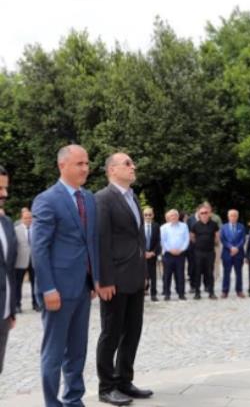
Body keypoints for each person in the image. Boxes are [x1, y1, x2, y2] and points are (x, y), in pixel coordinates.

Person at [31, 145, 100, 407]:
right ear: (62, 166)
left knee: (78, 350)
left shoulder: (89, 198)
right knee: (54, 352)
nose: (85, 168)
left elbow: (90, 241)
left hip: (82, 288)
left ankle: (74, 399)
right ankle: (52, 403)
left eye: (86, 163)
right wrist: (48, 289)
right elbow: (39, 248)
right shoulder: (47, 199)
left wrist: (93, 279)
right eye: (79, 163)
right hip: (57, 291)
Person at [95, 152, 152, 405]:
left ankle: (124, 380)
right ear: (112, 170)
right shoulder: (103, 199)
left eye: (132, 163)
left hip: (135, 278)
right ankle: (106, 387)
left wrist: (145, 274)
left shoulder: (133, 199)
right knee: (111, 333)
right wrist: (104, 280)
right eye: (127, 163)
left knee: (133, 331)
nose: (133, 166)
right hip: (114, 280)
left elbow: (139, 241)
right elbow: (101, 243)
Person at [0, 165, 17, 375]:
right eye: (0, 189)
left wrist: (11, 309)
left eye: (5, 188)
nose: (4, 194)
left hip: (3, 314)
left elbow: (9, 268)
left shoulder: (6, 223)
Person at [190, 204, 220, 300]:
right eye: (202, 213)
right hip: (198, 252)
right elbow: (192, 237)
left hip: (210, 252)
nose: (204, 214)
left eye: (205, 212)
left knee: (210, 273)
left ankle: (211, 293)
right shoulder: (195, 225)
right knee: (198, 273)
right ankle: (197, 293)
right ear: (199, 214)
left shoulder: (214, 224)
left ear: (209, 213)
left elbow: (216, 237)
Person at [160, 209, 189, 301]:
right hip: (168, 254)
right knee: (167, 275)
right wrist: (170, 250)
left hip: (180, 254)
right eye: (171, 216)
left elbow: (186, 239)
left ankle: (181, 294)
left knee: (180, 275)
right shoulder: (163, 227)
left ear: (178, 216)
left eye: (175, 215)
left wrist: (181, 249)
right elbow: (162, 241)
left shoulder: (184, 226)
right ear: (168, 217)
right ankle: (167, 294)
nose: (173, 217)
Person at [14, 208, 38, 313]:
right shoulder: (16, 229)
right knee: (18, 285)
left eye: (30, 218)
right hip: (20, 261)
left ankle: (36, 304)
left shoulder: (37, 229)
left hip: (34, 261)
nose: (28, 219)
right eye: (26, 218)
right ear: (21, 218)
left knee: (35, 284)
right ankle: (17, 305)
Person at [220, 210, 246, 298]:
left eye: (235, 216)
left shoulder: (241, 227)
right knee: (226, 273)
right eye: (231, 216)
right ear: (228, 217)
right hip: (227, 253)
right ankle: (225, 291)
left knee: (239, 273)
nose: (233, 217)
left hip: (239, 253)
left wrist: (237, 248)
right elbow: (223, 240)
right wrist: (231, 247)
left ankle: (239, 290)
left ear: (237, 217)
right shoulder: (223, 227)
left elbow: (243, 239)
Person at [142, 207, 161, 302]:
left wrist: (153, 252)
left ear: (153, 215)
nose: (148, 217)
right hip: (142, 256)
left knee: (153, 276)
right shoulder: (139, 226)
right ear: (143, 216)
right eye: (146, 215)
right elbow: (138, 241)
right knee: (142, 275)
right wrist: (143, 252)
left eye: (150, 215)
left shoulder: (156, 226)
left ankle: (154, 294)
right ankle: (142, 292)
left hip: (152, 255)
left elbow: (158, 241)